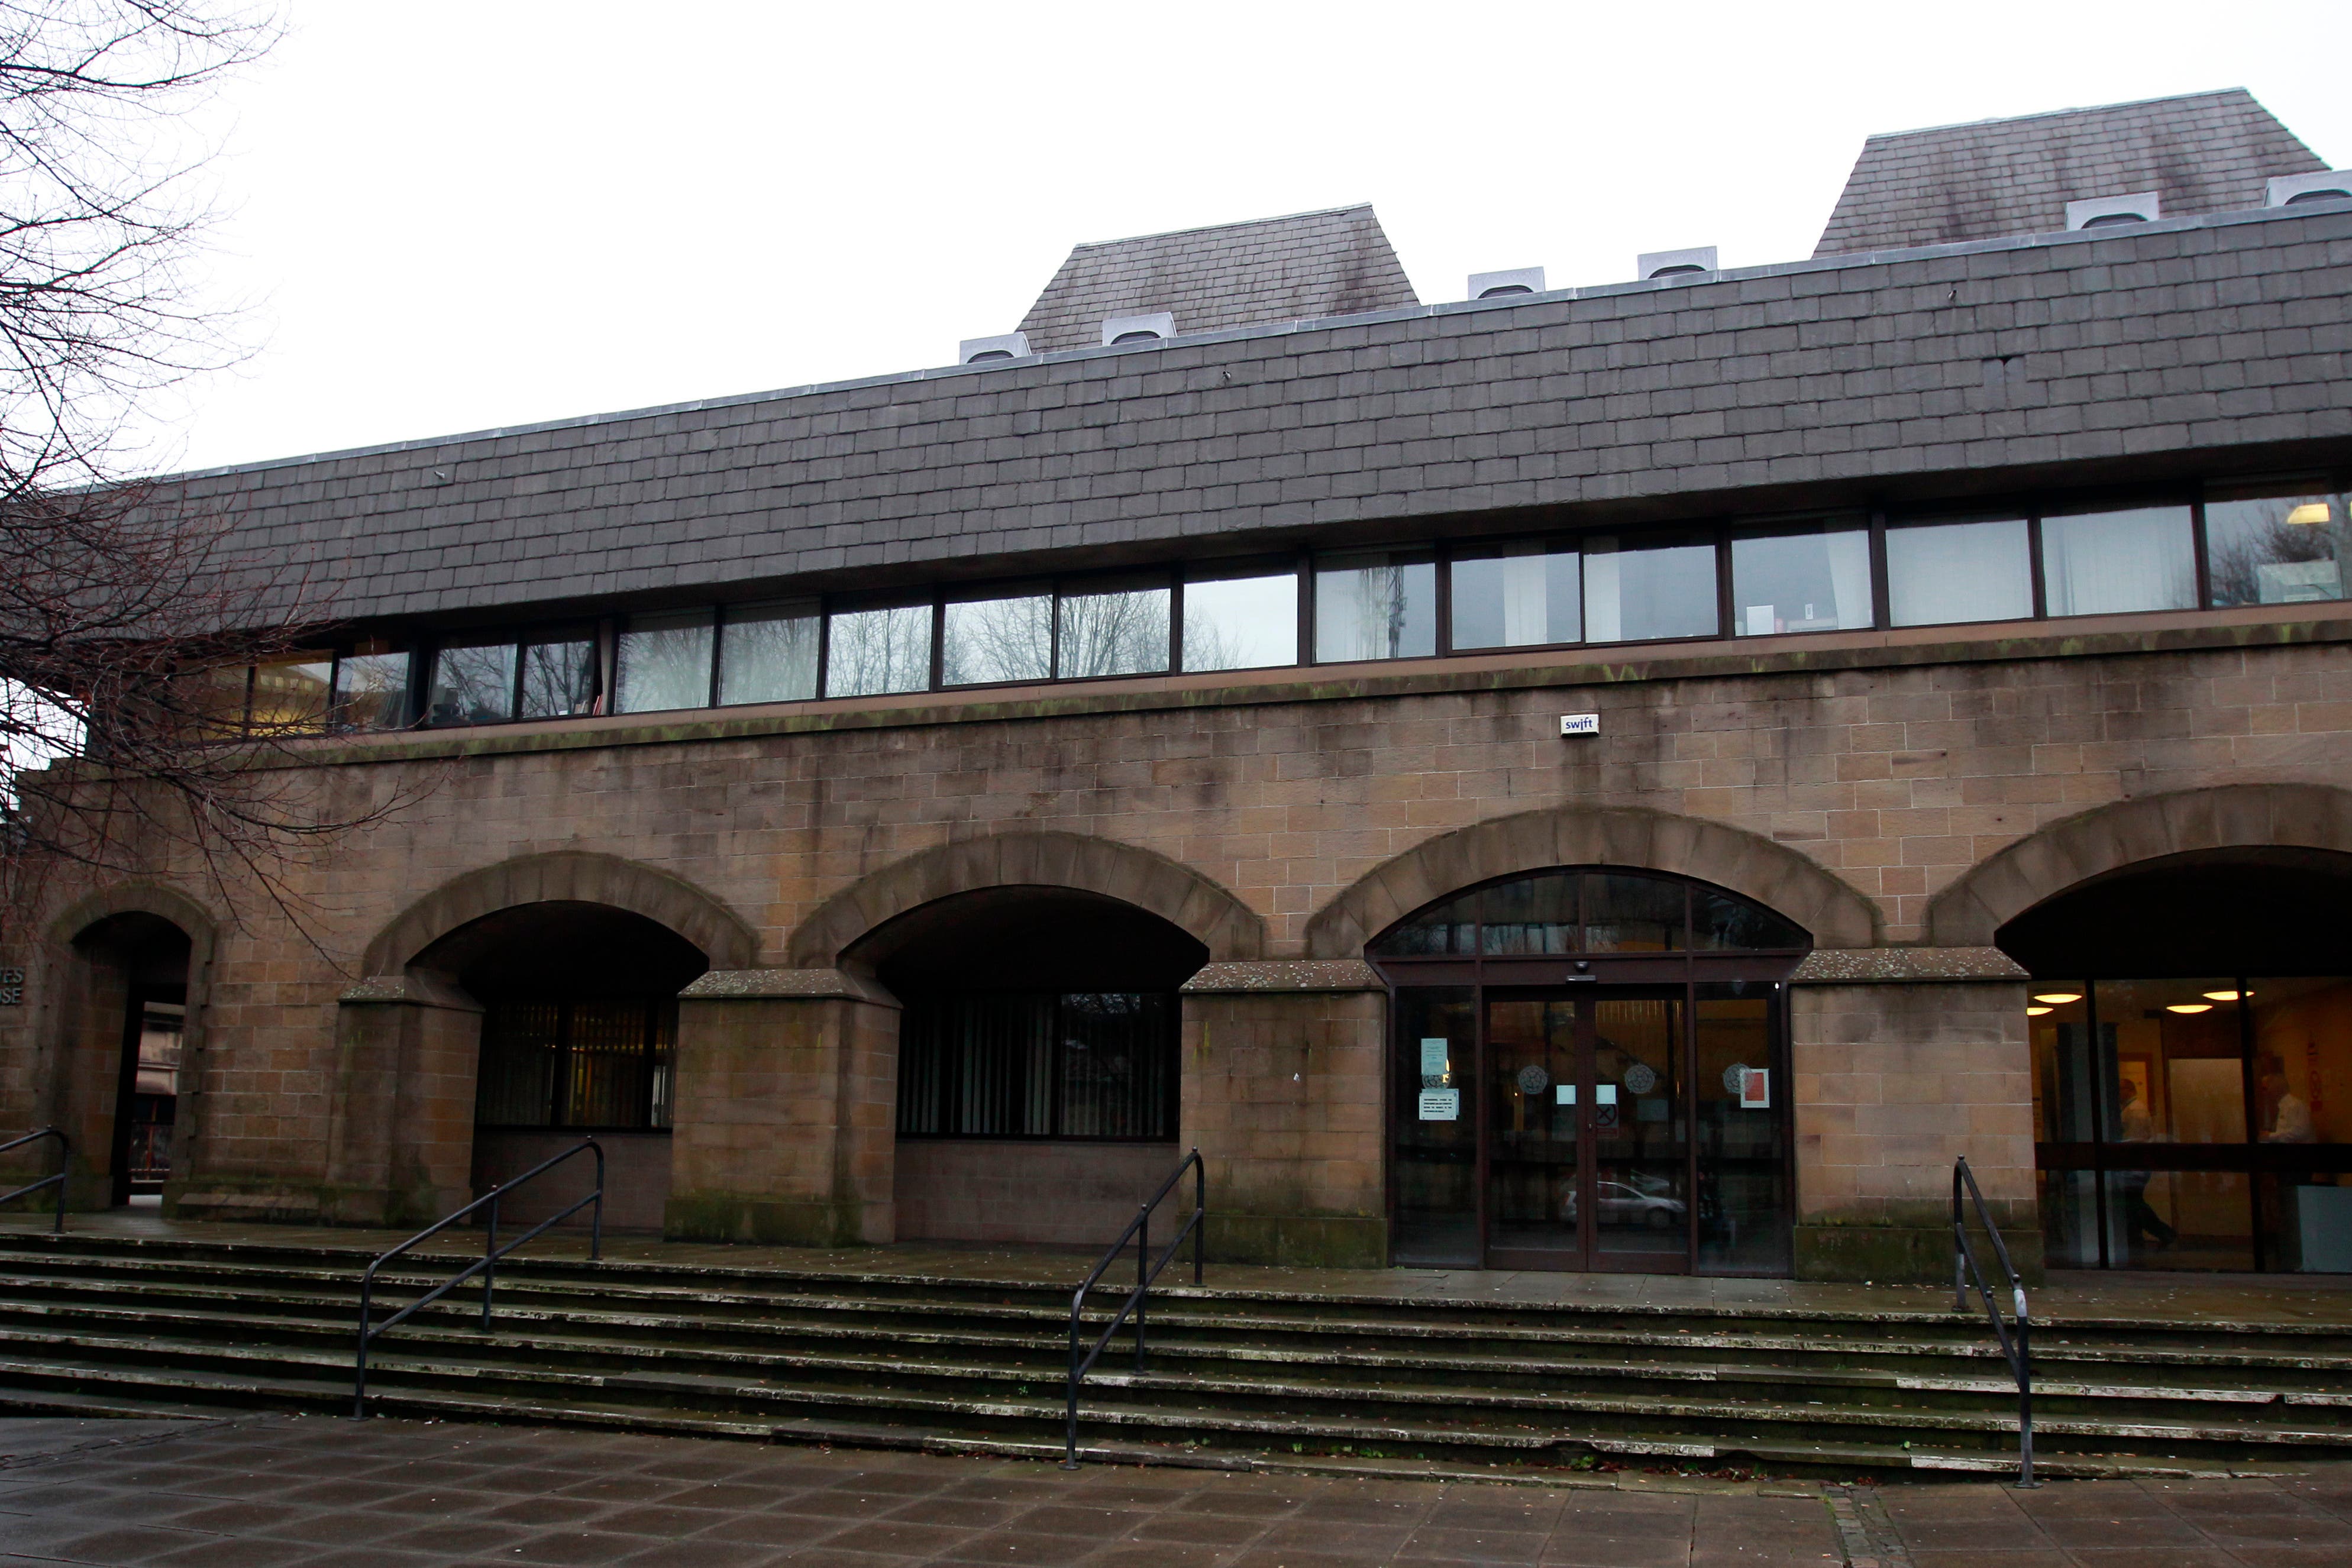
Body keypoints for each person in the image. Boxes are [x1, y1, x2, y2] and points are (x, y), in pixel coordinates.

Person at [2114, 1078, 2176, 1252]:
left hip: (2135, 1165)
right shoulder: (2132, 1109)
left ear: (2128, 1090)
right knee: (2132, 1203)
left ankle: (2163, 1233)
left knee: (2132, 1202)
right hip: (2135, 1164)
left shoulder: (2135, 1111)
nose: (2117, 1094)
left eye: (2120, 1090)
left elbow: (2134, 1139)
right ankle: (2136, 1237)